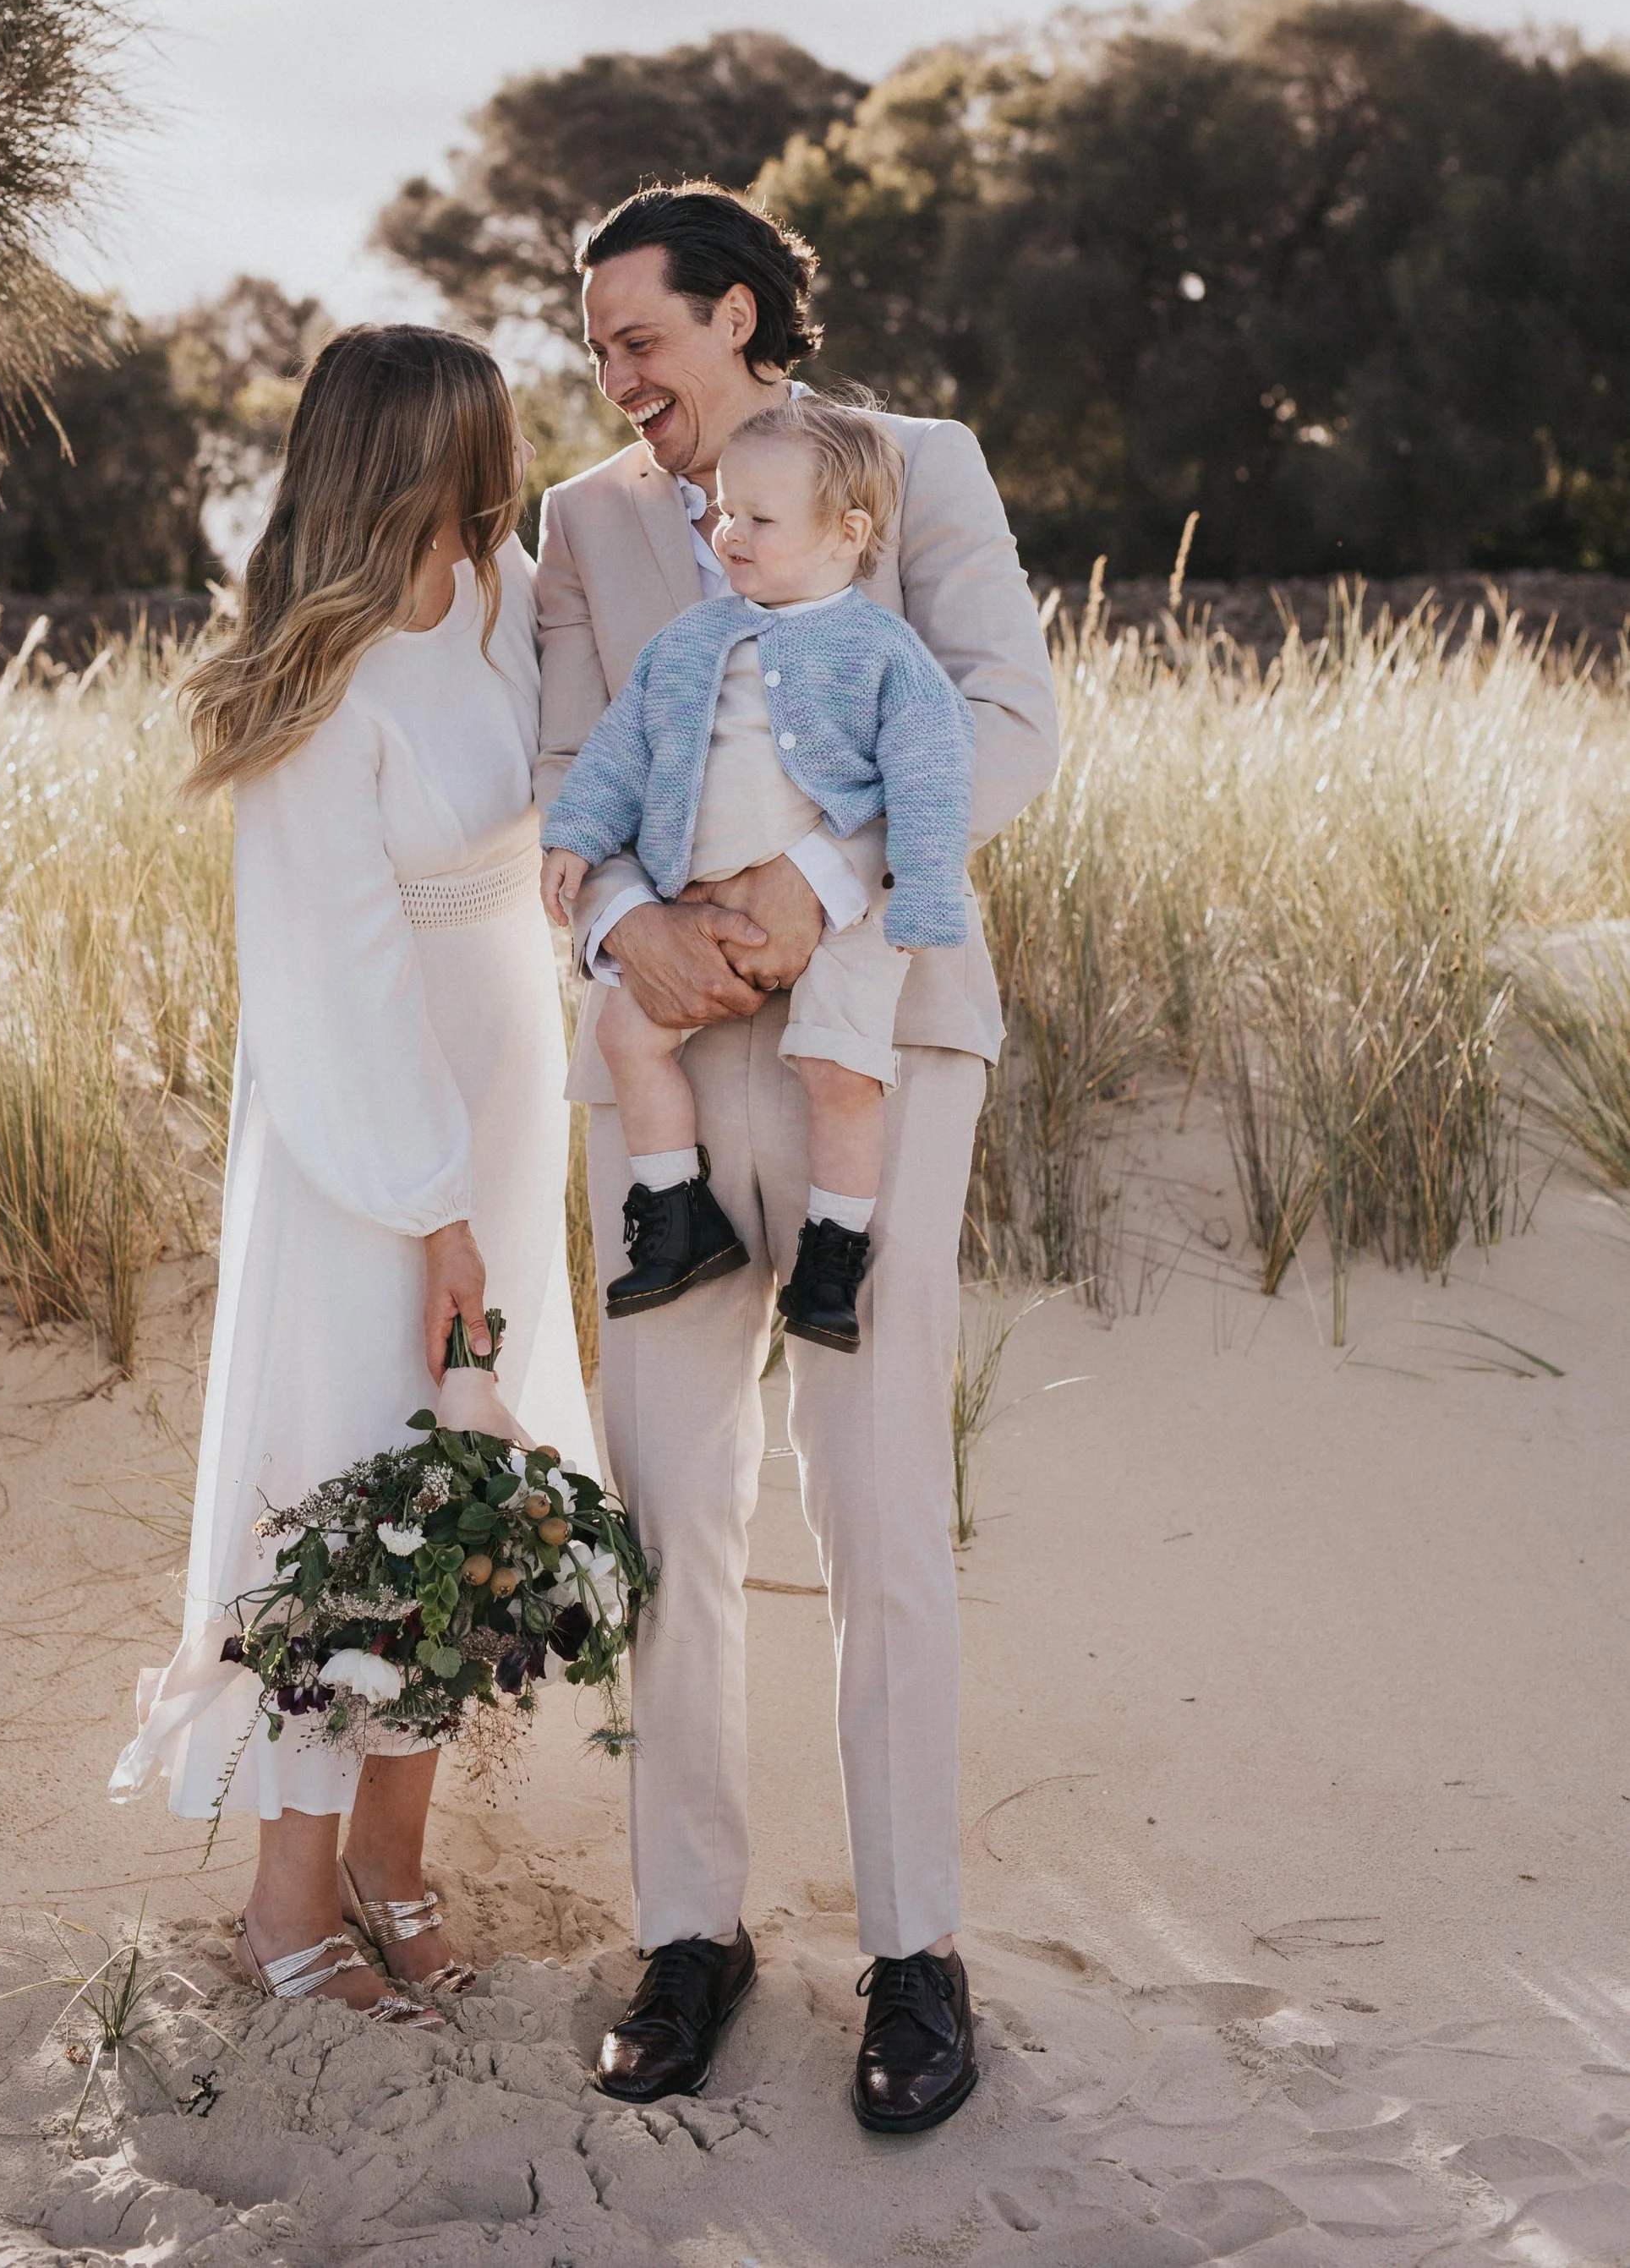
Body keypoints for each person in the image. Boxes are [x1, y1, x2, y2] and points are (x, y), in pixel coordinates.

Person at [534, 182, 1058, 2134]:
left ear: (736, 315)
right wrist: (619, 935)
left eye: (638, 338)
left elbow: (1011, 718)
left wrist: (816, 876)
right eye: (596, 348)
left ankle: (916, 1949)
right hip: (660, 1065)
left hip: (878, 1046)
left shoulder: (914, 466)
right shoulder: (579, 524)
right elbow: (553, 765)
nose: (612, 379)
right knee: (665, 1501)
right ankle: (692, 1926)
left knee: (876, 1501)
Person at [110, 325, 593, 2019]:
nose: (497, 482)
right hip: (369, 1149)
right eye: (472, 454)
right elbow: (335, 973)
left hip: (503, 1110)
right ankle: (286, 1894)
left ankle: (397, 1860)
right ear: (404, 458)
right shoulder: (313, 683)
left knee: (463, 1508)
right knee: (350, 1496)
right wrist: (430, 1208)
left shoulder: (491, 591)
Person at [539, 396, 976, 1354]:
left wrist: (929, 890)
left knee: (839, 1066)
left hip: (850, 921)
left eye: (757, 520)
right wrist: (576, 832)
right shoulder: (693, 640)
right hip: (693, 911)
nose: (727, 532)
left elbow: (933, 770)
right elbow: (620, 748)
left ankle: (832, 1247)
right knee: (625, 1031)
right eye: (725, 513)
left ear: (845, 534)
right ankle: (676, 1210)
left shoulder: (879, 651)